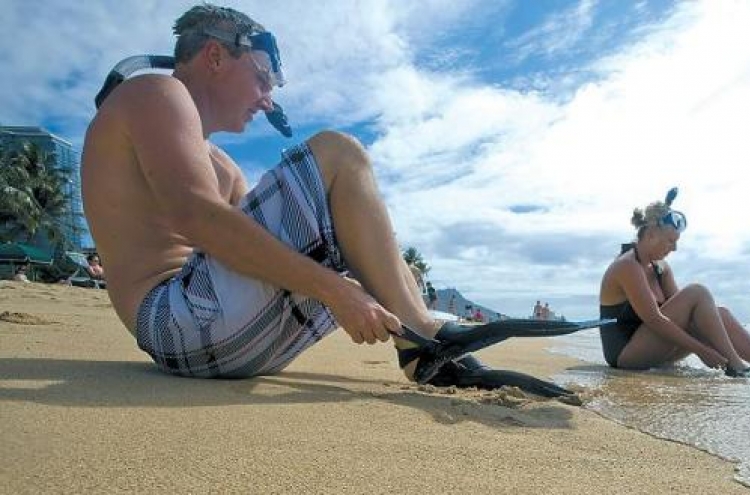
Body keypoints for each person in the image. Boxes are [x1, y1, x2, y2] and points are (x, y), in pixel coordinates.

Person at [81, 3, 537, 388]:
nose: (267, 101)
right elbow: (197, 217)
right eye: (262, 78)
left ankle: (420, 341)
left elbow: (257, 250)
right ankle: (424, 340)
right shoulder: (155, 91)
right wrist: (338, 290)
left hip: (217, 336)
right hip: (173, 322)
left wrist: (374, 279)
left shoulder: (219, 164)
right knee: (340, 153)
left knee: (392, 269)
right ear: (215, 57)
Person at [599, 188, 750, 377]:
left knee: (721, 313)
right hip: (625, 356)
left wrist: (711, 338)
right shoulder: (627, 266)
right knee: (697, 291)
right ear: (651, 234)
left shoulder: (661, 268)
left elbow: (688, 315)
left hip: (654, 347)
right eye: (670, 241)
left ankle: (740, 364)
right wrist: (703, 351)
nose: (675, 248)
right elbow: (654, 320)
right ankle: (738, 368)